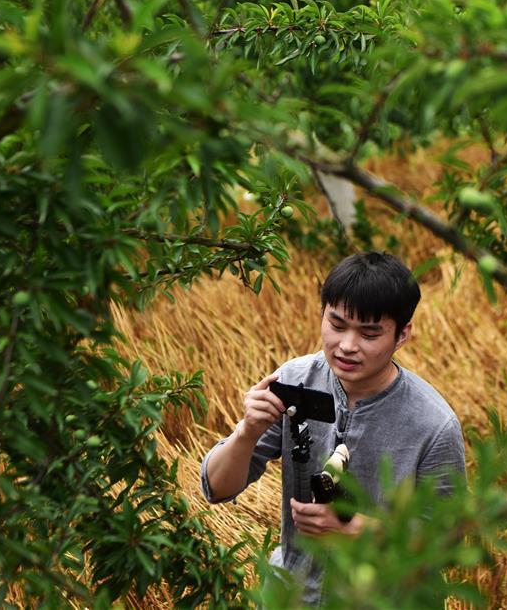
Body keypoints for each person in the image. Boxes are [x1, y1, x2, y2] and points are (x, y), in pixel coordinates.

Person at [200, 251, 466, 604]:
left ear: (402, 335)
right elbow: (216, 489)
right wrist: (246, 433)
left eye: (369, 333)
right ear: (322, 314)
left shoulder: (433, 424)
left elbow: (447, 541)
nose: (347, 346)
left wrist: (360, 531)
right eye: (337, 325)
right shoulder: (294, 380)